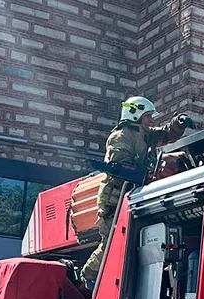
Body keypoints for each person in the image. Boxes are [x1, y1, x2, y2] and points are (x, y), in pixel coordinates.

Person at [83, 97, 195, 286]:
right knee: (112, 243)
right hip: (115, 200)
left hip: (132, 197)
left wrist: (179, 122)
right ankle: (90, 274)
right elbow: (120, 167)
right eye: (148, 116)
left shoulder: (145, 134)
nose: (151, 120)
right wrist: (146, 175)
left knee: (130, 243)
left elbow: (166, 134)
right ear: (135, 114)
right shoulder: (120, 136)